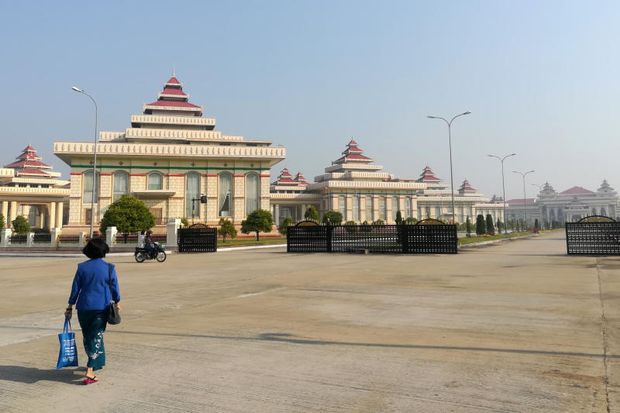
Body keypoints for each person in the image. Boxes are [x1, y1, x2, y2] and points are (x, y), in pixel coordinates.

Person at [65, 238, 121, 385]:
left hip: (83, 307)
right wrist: (117, 301)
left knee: (88, 336)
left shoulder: (82, 268)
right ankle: (90, 369)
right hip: (101, 308)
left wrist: (70, 306)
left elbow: (75, 289)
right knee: (96, 336)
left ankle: (96, 362)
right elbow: (115, 288)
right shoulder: (109, 268)